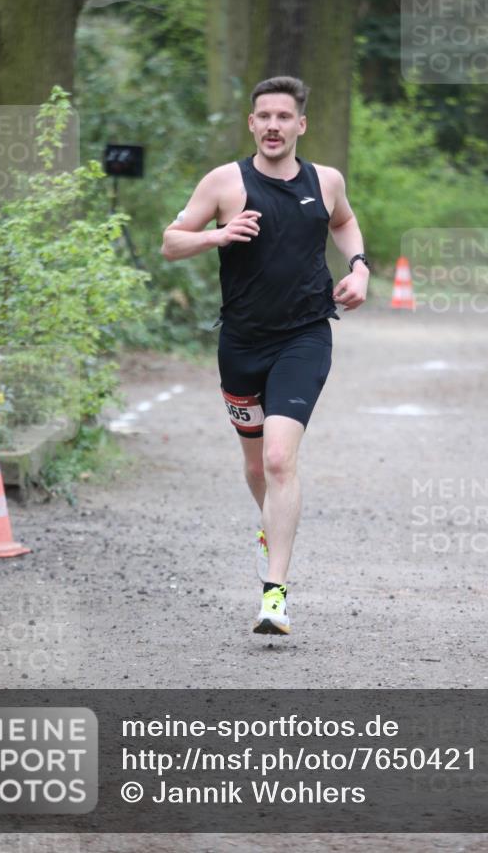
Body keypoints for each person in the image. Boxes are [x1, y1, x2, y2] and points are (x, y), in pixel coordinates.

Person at [161, 76, 370, 635]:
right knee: (256, 464)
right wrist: (217, 236)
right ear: (251, 124)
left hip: (304, 335)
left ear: (300, 124)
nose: (273, 125)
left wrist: (360, 267)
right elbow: (170, 241)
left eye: (284, 116)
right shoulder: (225, 182)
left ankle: (273, 594)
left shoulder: (325, 181)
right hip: (241, 344)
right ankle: (269, 527)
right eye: (264, 117)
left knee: (280, 459)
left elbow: (344, 222)